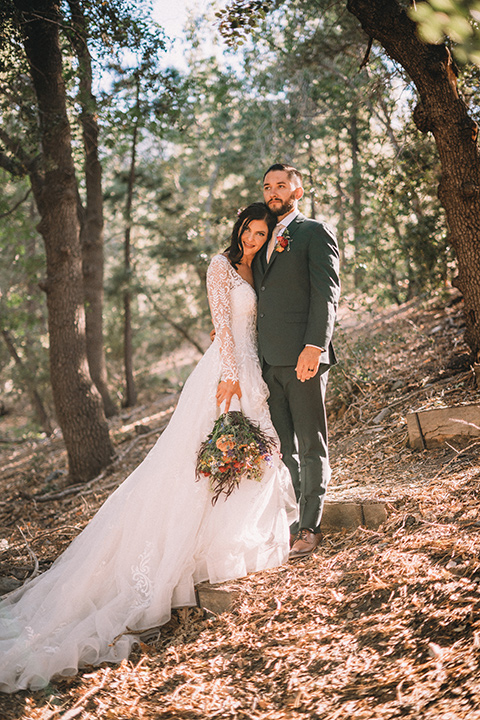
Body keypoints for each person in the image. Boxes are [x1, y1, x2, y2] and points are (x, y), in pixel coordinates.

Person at [0, 202, 296, 693]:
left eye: (262, 233)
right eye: (249, 230)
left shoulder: (259, 266)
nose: (253, 238)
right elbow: (222, 323)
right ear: (239, 228)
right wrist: (228, 376)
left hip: (253, 368)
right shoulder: (221, 264)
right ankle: (185, 557)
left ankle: (232, 543)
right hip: (225, 373)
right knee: (208, 460)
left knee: (254, 457)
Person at [252, 163, 340, 560]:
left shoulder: (313, 233)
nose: (274, 192)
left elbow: (326, 294)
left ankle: (309, 526)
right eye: (268, 187)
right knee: (283, 448)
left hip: (304, 357)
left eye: (281, 186)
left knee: (310, 444)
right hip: (268, 362)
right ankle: (288, 523)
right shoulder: (260, 240)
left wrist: (315, 346)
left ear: (297, 191)